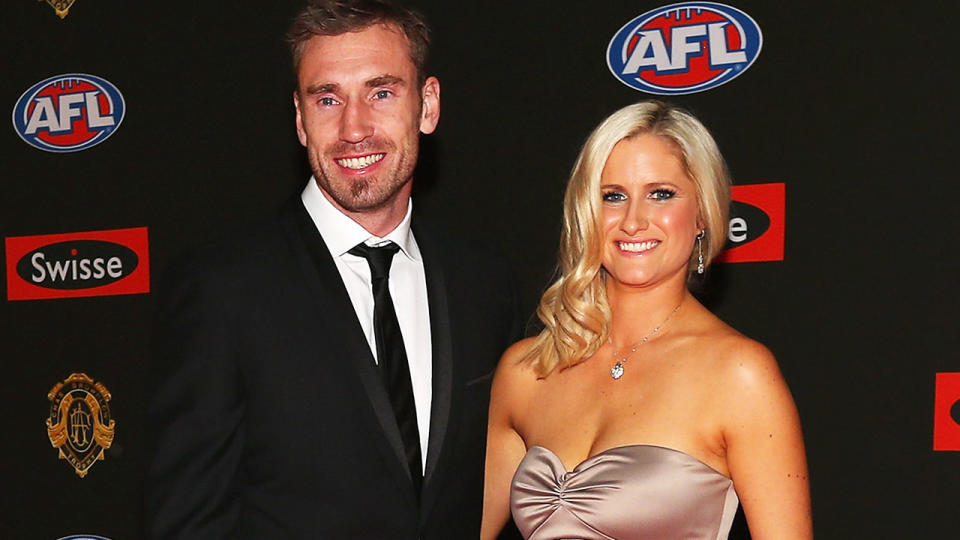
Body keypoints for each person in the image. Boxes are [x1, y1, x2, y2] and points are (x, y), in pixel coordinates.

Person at [145, 1, 520, 538]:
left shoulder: (483, 285)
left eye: (381, 92)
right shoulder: (221, 290)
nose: (353, 128)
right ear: (300, 120)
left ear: (428, 105)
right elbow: (189, 522)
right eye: (327, 99)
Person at [481, 101, 811, 540]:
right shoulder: (526, 372)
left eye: (661, 194)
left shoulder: (739, 373)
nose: (634, 221)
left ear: (702, 214)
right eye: (613, 196)